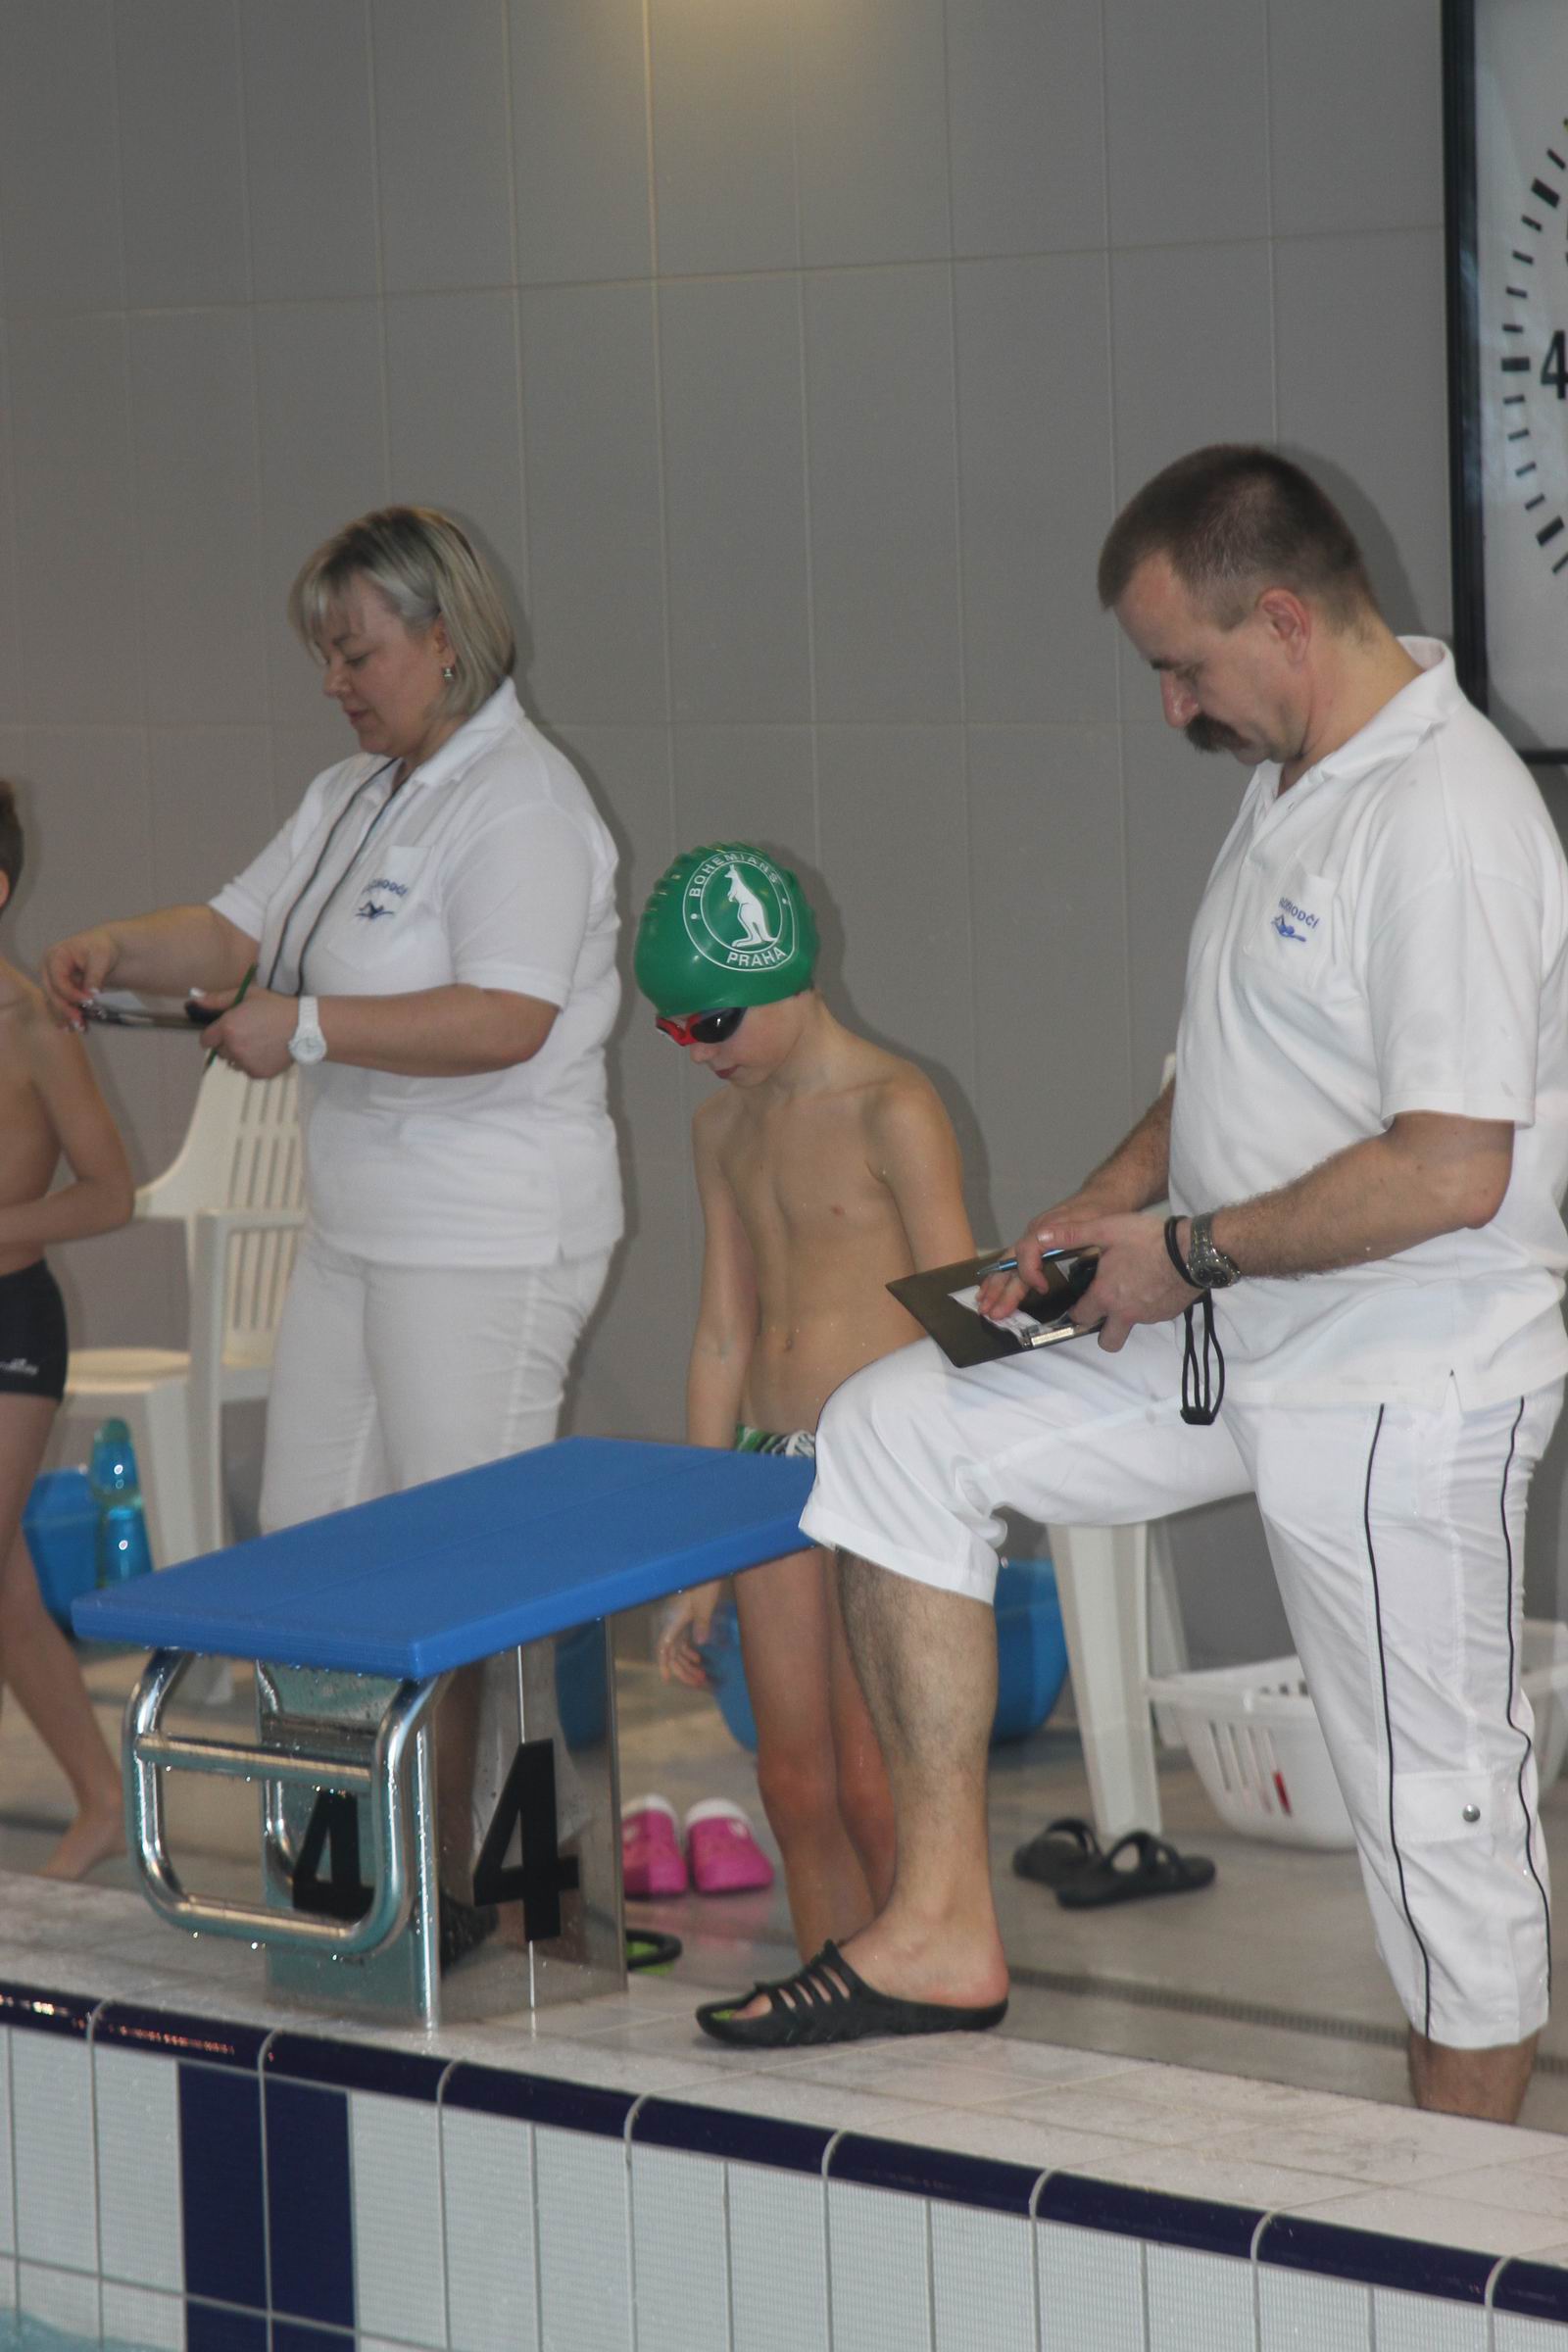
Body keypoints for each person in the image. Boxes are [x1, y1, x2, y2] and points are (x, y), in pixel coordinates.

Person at [700, 447, 1568, 2128]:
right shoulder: (1298, 776)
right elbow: (1225, 1067)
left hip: (1403, 1379)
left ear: (1289, 619)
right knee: (895, 1428)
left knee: (1437, 1822)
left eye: (1185, 668)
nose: (1174, 710)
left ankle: (1463, 2217)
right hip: (1241, 1321)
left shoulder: (1445, 819)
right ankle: (940, 1927)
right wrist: (1107, 1208)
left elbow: (1452, 1168)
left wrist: (1187, 1252)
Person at [41, 508, 622, 1946]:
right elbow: (234, 932)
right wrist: (120, 947)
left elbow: (508, 1017)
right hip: (360, 1231)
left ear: (446, 639)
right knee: (310, 1550)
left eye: (357, 653)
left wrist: (303, 1028)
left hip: (488, 1241)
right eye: (326, 655)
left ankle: (506, 1893)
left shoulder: (523, 802)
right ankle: (348, 1873)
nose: (336, 682)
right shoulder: (358, 792)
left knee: (468, 1578)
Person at [635, 843, 975, 1963]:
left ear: (781, 973)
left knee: (876, 1780)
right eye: (672, 1031)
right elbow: (721, 1335)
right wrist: (697, 1559)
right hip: (766, 1463)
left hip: (881, 1467)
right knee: (792, 1778)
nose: (697, 1053)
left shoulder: (894, 1108)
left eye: (711, 1023)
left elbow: (962, 1318)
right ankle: (833, 1985)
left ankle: (915, 1981)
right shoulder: (720, 1129)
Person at [0, 782, 133, 1877]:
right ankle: (101, 1800)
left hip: (11, 1323)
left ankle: (103, 1802)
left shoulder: (35, 1030)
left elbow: (108, 1192)